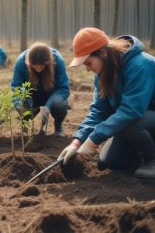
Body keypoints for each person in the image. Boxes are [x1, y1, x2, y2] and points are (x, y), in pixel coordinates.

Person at [58, 27, 155, 178]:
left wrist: (93, 140)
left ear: (102, 53)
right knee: (111, 162)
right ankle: (142, 153)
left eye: (88, 63)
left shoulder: (140, 65)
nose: (88, 69)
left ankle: (152, 160)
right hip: (141, 123)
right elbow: (99, 110)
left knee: (131, 122)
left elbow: (131, 111)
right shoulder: (102, 72)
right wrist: (77, 142)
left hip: (140, 119)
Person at [11, 42, 70, 137]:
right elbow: (16, 87)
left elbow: (63, 89)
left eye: (41, 66)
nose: (38, 70)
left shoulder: (57, 60)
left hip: (52, 95)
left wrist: (48, 107)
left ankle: (58, 126)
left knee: (59, 105)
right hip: (31, 95)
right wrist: (22, 105)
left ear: (49, 62)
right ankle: (25, 125)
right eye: (35, 67)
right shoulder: (21, 62)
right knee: (22, 104)